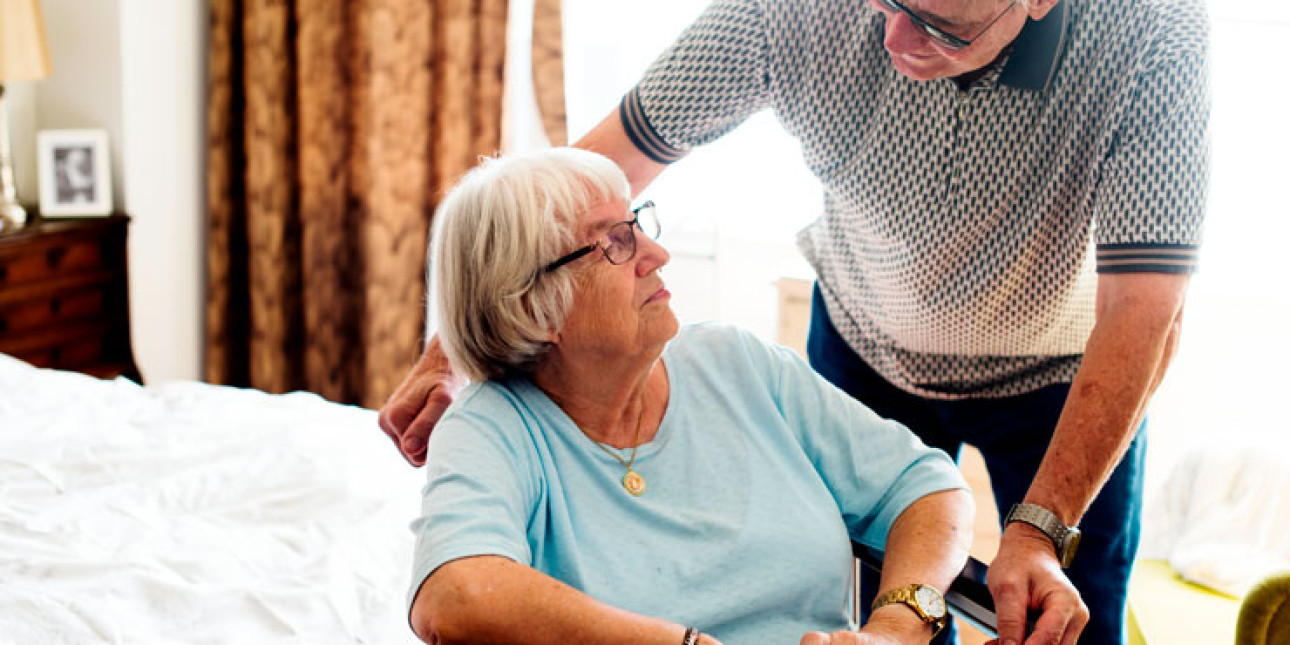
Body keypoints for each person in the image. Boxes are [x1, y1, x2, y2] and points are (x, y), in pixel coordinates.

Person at [386, 0, 1208, 643]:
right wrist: (456, 339)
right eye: (884, 2)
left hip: (1061, 369)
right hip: (864, 334)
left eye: (935, 24)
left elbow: (1145, 305)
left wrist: (1022, 538)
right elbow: (592, 177)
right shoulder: (793, 10)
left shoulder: (1152, 32)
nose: (891, 38)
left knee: (1067, 613)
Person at [406, 147, 975, 645]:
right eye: (614, 243)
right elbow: (455, 598)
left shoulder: (739, 365)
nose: (656, 254)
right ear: (533, 307)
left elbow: (925, 484)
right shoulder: (493, 427)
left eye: (637, 224)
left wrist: (896, 627)